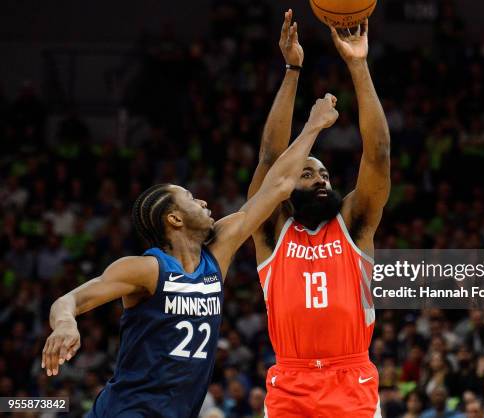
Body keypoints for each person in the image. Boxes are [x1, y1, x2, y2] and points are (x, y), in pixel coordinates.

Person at [40, 94, 341, 418]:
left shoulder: (218, 254)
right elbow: (69, 300)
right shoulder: (147, 269)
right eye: (190, 199)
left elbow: (279, 186)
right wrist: (65, 325)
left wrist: (311, 122)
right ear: (175, 218)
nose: (202, 201)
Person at [247, 10, 390, 417]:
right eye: (307, 174)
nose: (321, 179)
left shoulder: (354, 225)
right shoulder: (273, 232)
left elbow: (378, 155)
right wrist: (293, 69)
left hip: (352, 379)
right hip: (291, 383)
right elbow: (270, 159)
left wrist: (358, 66)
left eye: (324, 172)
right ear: (287, 188)